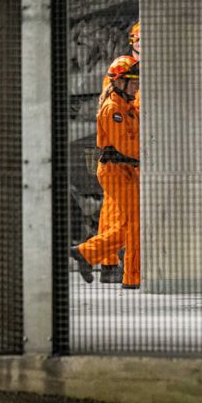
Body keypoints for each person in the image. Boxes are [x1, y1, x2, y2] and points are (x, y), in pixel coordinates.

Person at [70, 55, 142, 290]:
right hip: (115, 171)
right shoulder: (113, 110)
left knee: (127, 224)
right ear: (119, 82)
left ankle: (86, 253)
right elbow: (126, 145)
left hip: (126, 170)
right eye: (132, 81)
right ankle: (132, 277)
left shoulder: (128, 108)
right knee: (134, 223)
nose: (136, 85)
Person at [95, 21, 141, 283]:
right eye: (138, 40)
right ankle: (109, 263)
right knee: (117, 213)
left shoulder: (140, 73)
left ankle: (96, 257)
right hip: (122, 155)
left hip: (134, 155)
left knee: (129, 218)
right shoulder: (119, 74)